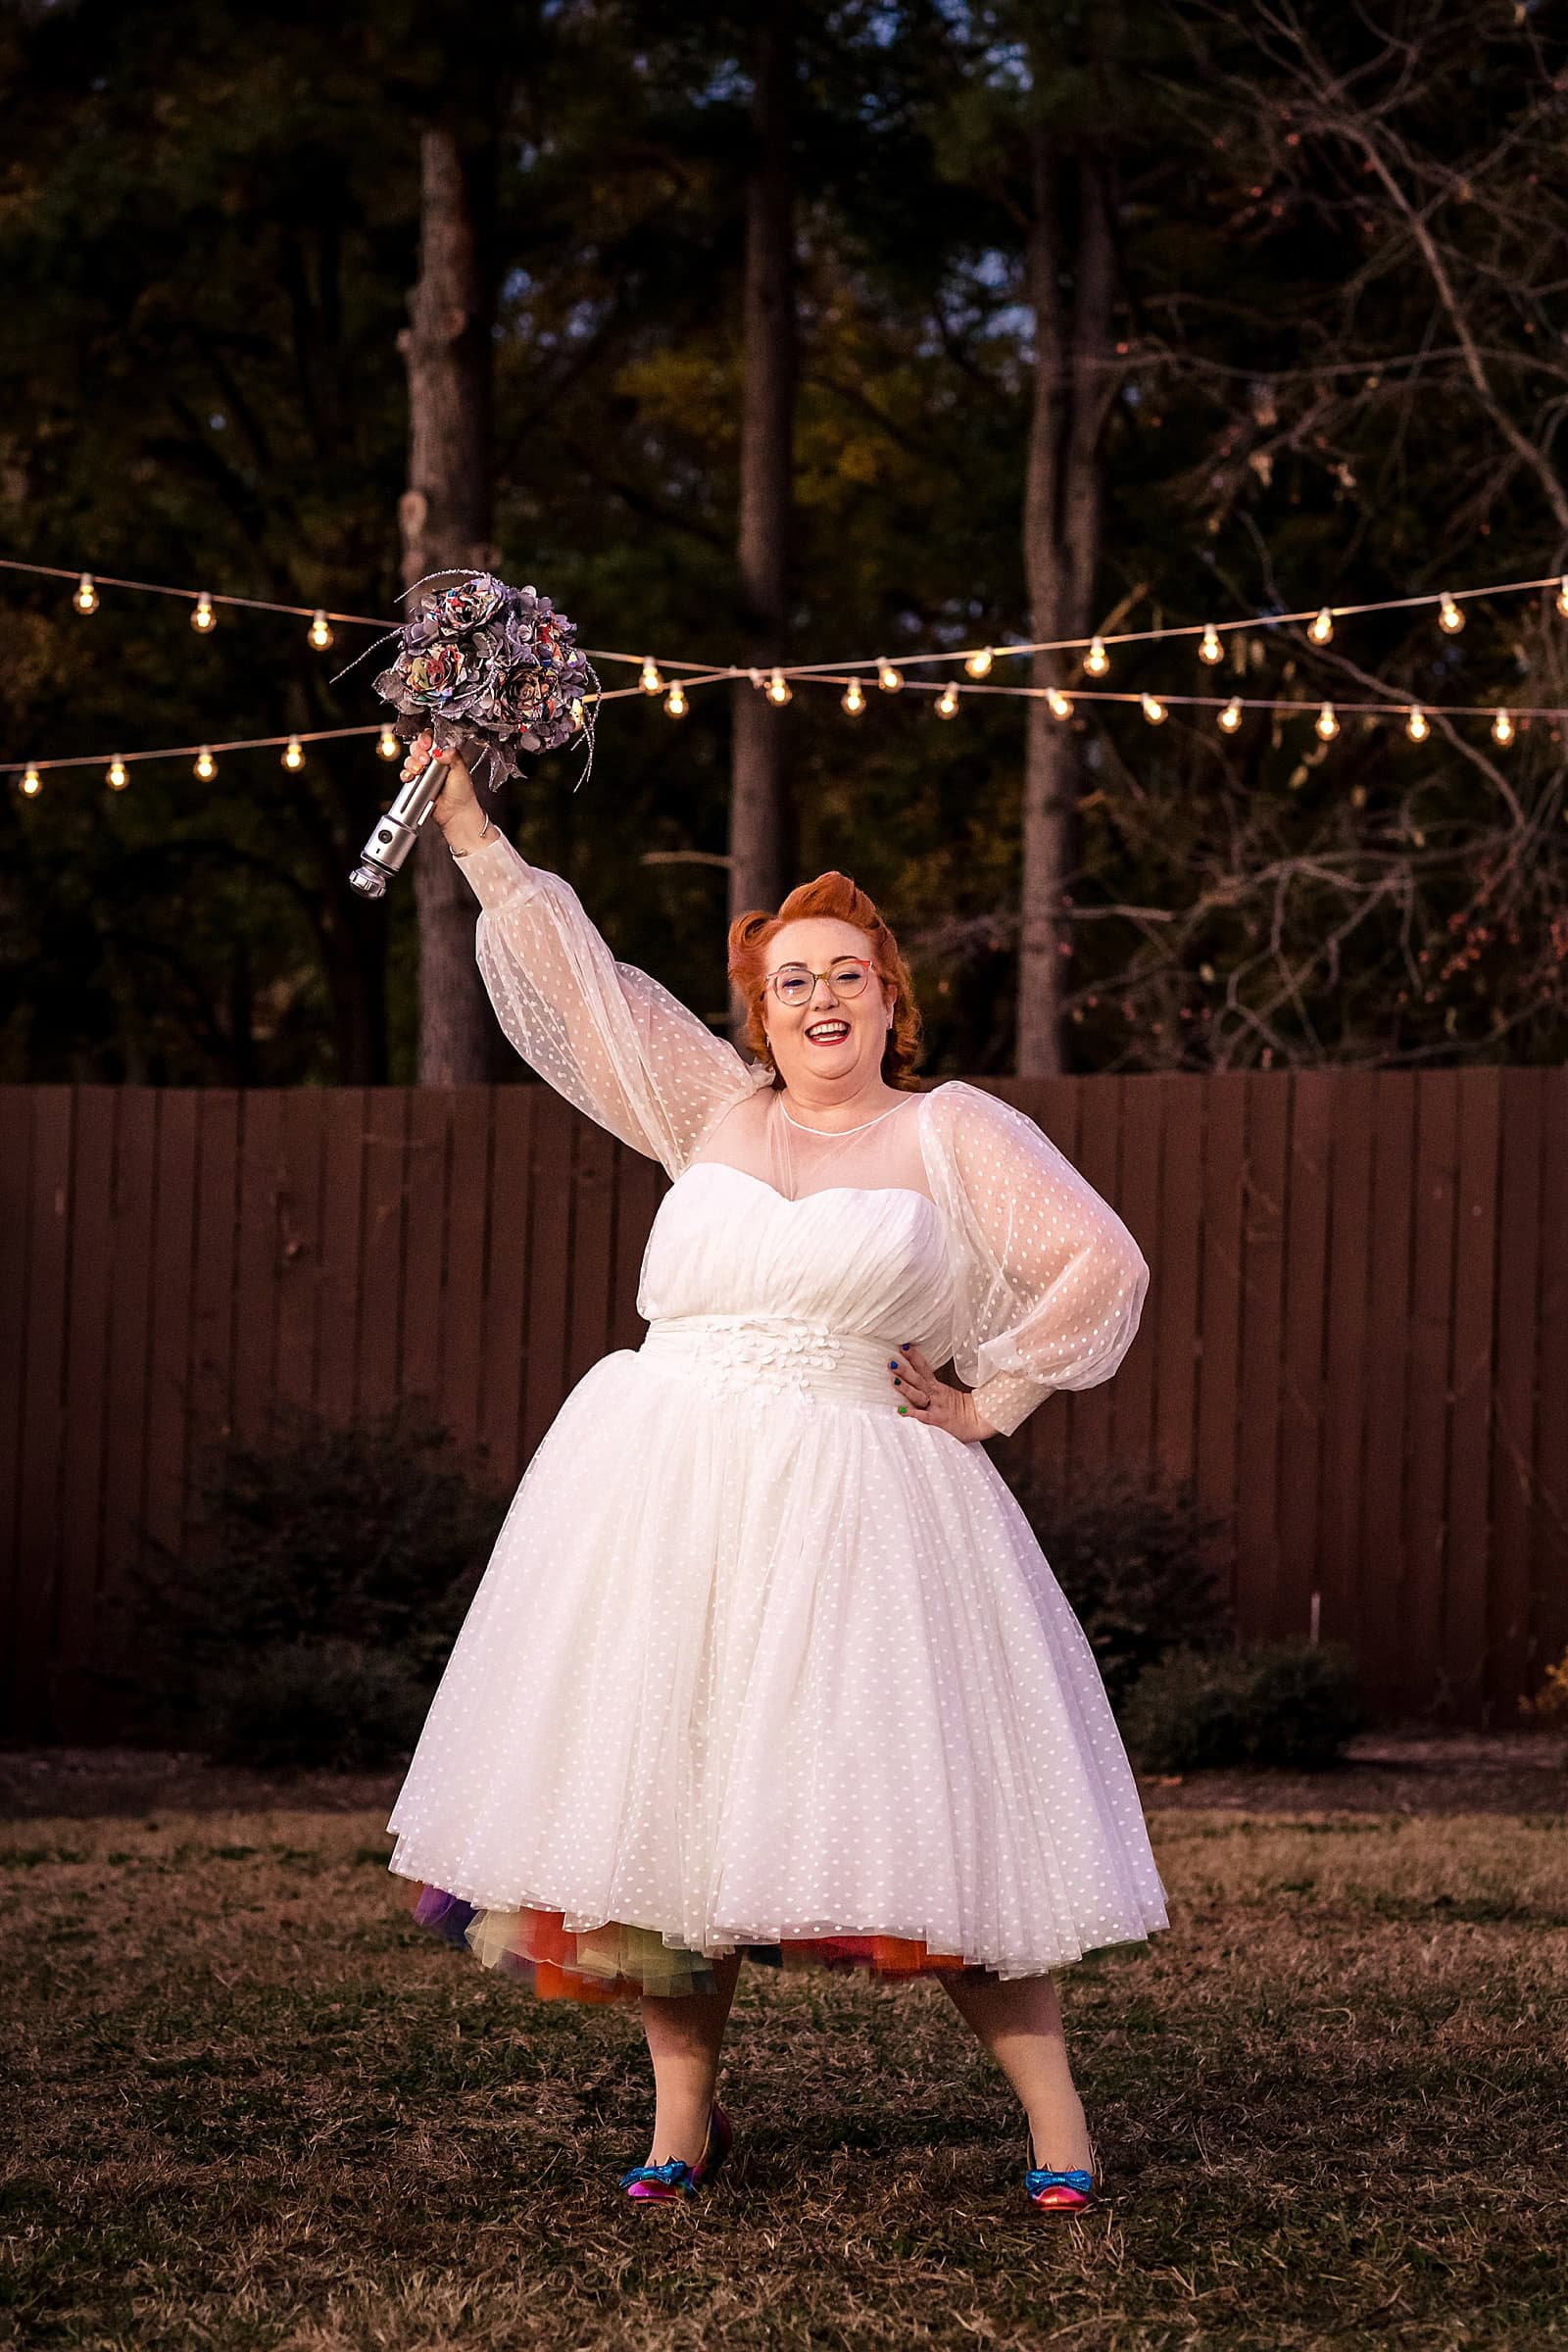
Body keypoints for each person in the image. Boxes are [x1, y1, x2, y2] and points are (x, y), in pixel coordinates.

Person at [385, 731, 1168, 2213]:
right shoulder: (711, 1112)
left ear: (890, 1000)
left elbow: (1098, 1263)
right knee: (657, 1820)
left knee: (927, 1820)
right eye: (791, 978)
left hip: (857, 1508)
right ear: (760, 1007)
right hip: (662, 1491)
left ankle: (1058, 2132)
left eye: (846, 975)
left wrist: (992, 1401)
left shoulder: (952, 1131)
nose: (820, 995)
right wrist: (475, 828)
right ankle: (687, 2123)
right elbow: (583, 988)